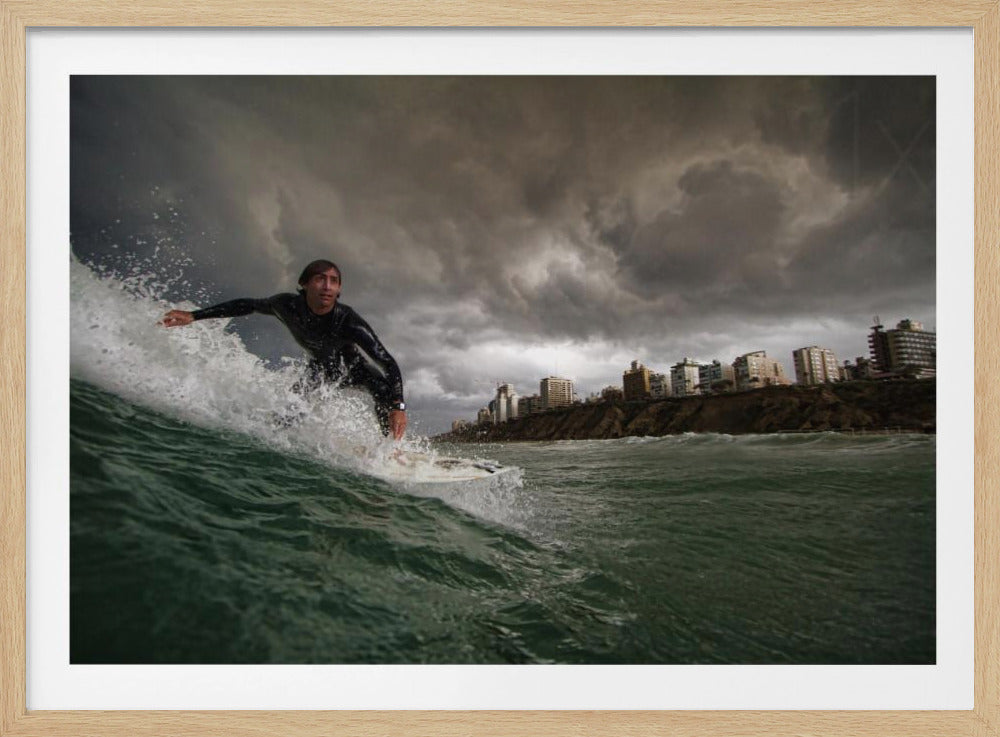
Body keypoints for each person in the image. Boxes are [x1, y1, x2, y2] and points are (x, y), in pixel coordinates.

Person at [161, 259, 407, 440]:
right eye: (320, 279)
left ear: (339, 290)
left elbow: (387, 362)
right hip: (320, 372)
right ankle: (268, 441)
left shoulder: (349, 321)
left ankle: (390, 451)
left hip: (354, 370)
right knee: (287, 415)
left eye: (334, 281)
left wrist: (399, 407)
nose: (327, 286)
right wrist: (194, 315)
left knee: (385, 392)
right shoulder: (286, 305)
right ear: (304, 284)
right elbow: (247, 305)